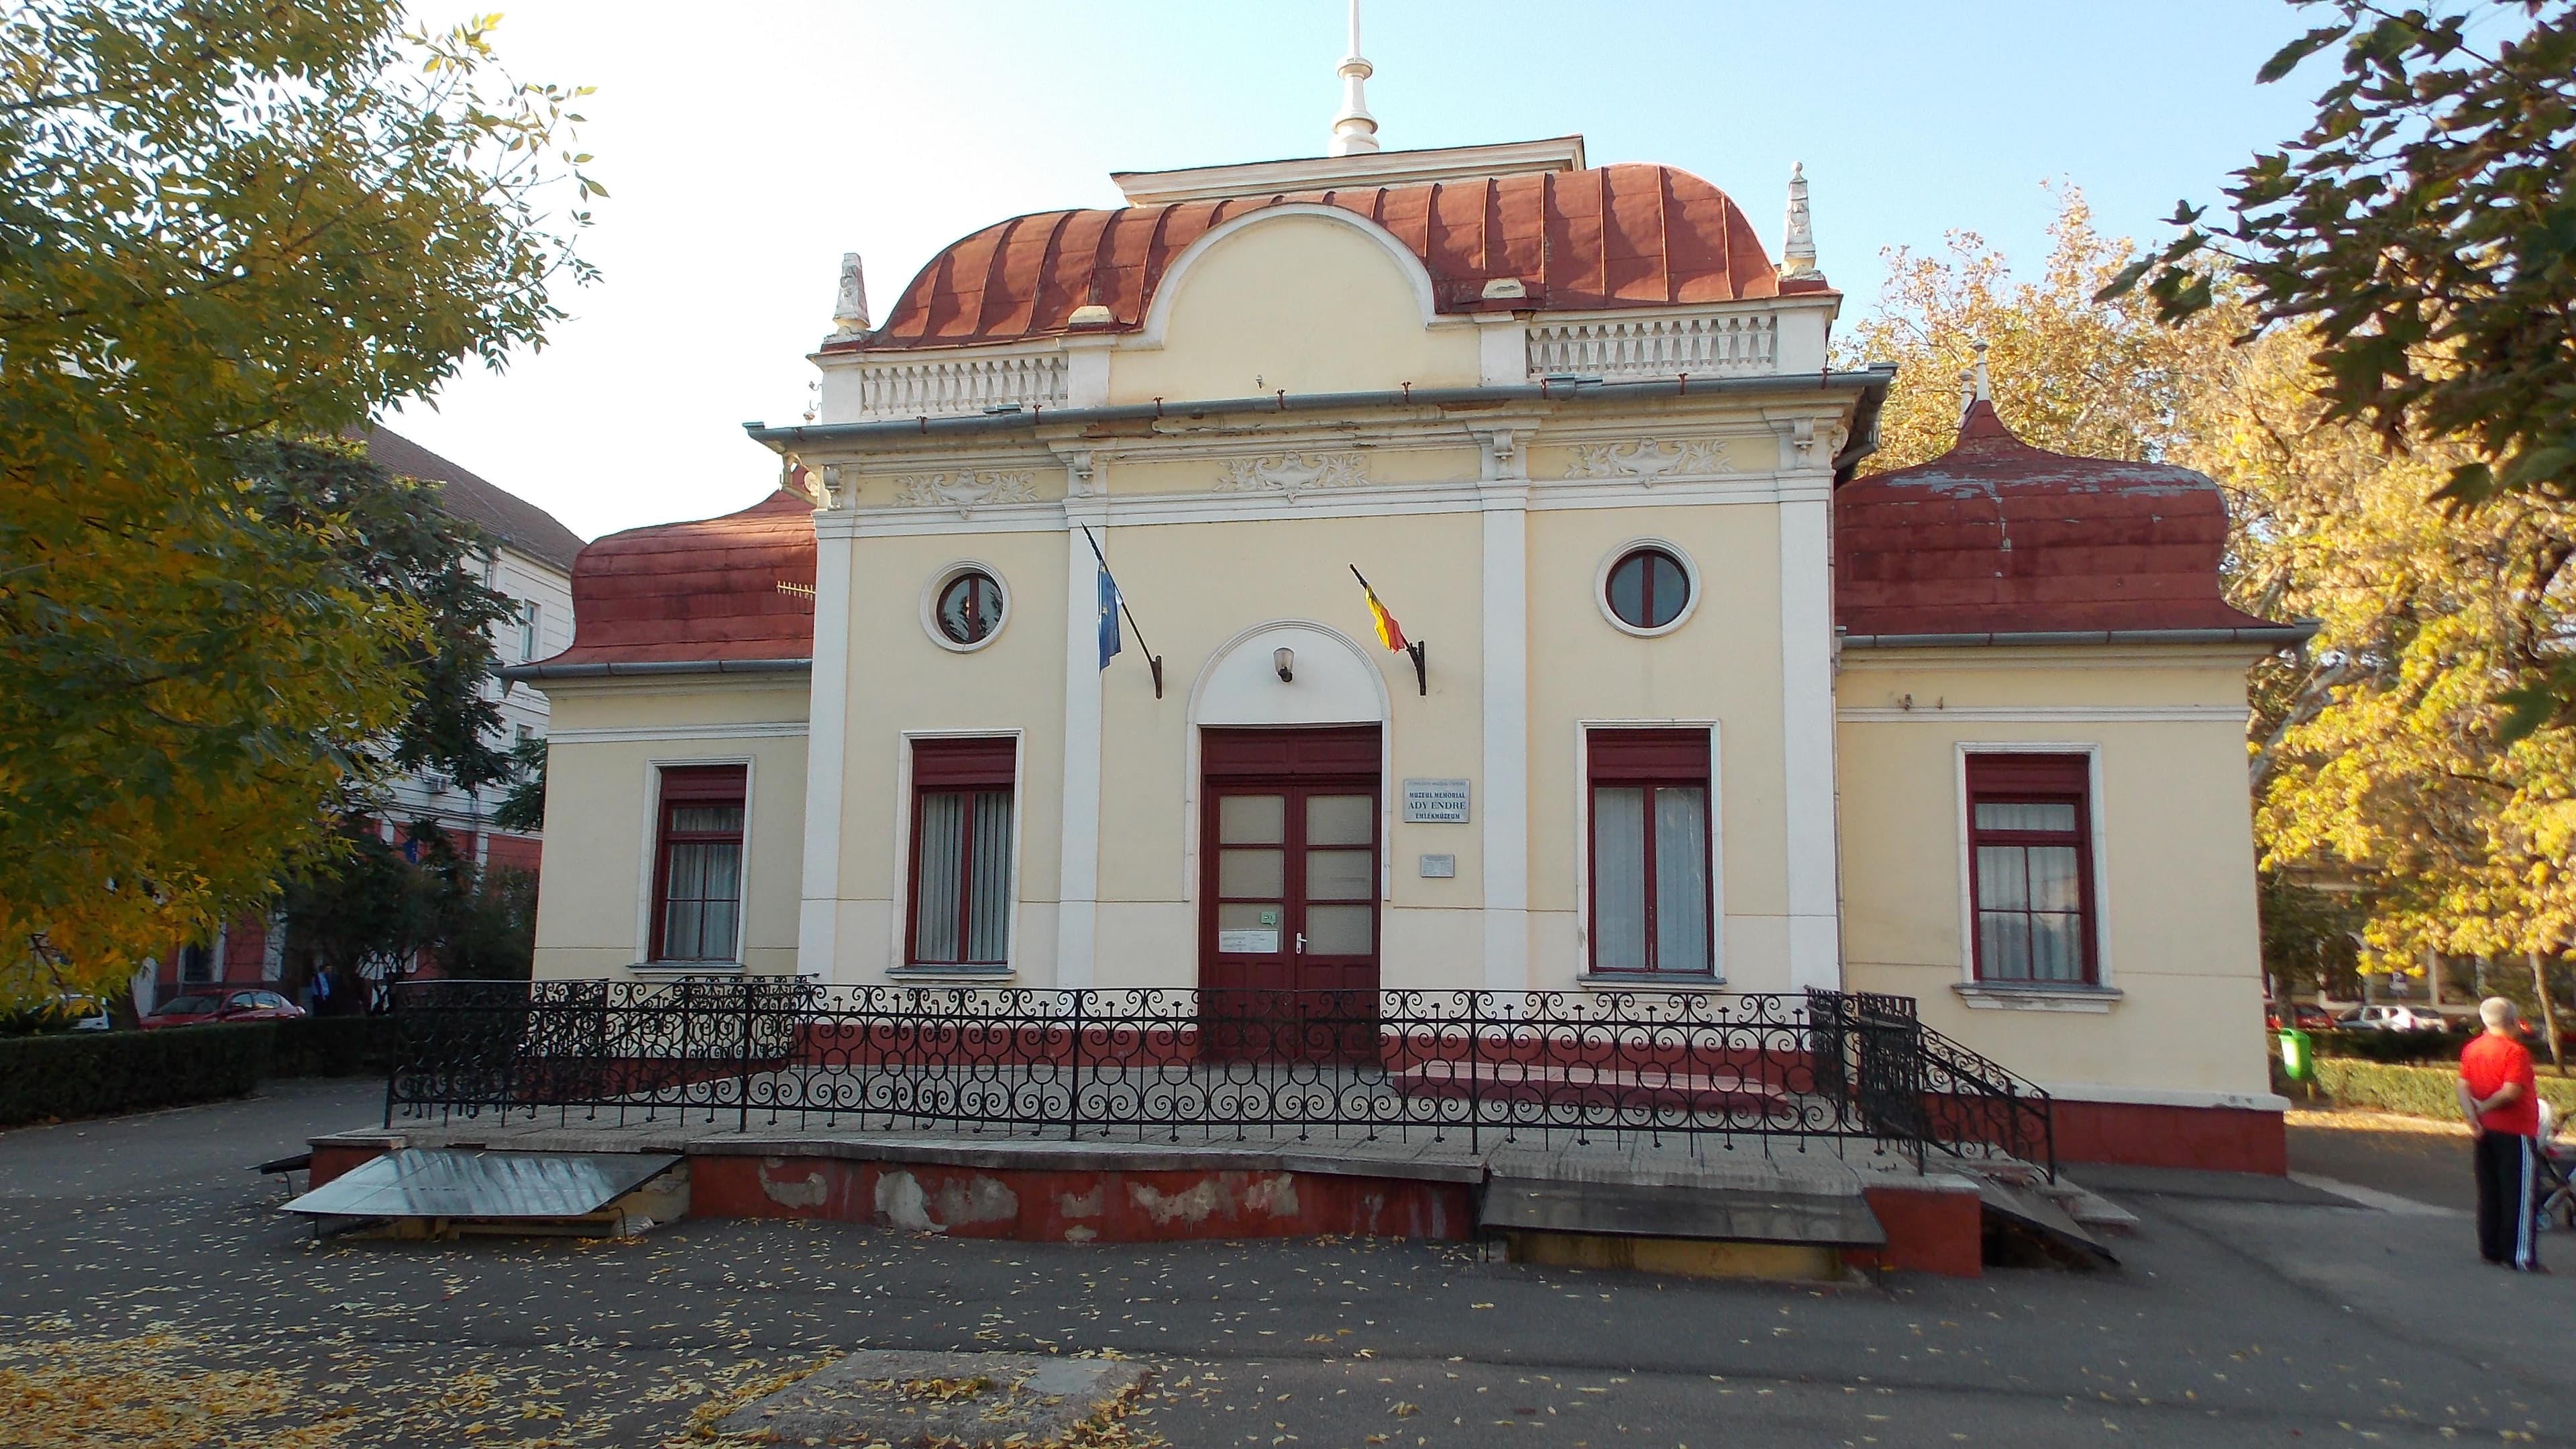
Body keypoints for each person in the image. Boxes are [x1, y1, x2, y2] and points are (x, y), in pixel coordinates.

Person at [2457, 996, 2544, 1271]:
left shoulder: (2473, 1049)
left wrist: (2473, 1114)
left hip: (2486, 1130)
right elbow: (2512, 1091)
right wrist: (2486, 1105)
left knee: (2491, 1190)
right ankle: (2519, 1255)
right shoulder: (2515, 1051)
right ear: (2512, 1020)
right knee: (2518, 1193)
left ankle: (2491, 1248)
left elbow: (2462, 1085)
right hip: (2515, 1130)